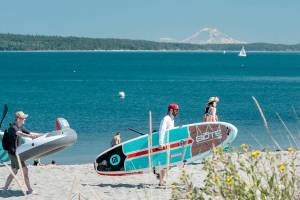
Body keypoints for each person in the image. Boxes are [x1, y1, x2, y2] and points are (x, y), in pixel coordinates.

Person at [2, 111, 43, 194]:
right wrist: (30, 136)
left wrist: (43, 134)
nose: (25, 119)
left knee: (14, 171)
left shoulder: (20, 126)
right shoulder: (13, 128)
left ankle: (5, 189)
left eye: (24, 118)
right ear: (18, 119)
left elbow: (30, 132)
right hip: (14, 153)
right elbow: (19, 134)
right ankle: (30, 190)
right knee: (25, 170)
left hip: (15, 153)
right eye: (23, 118)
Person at [158, 103, 179, 186]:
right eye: (176, 110)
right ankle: (161, 180)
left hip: (170, 145)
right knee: (166, 163)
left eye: (177, 110)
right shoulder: (166, 119)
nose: (177, 112)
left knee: (169, 164)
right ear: (171, 110)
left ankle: (161, 178)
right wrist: (161, 143)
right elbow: (162, 131)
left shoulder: (172, 119)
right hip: (165, 145)